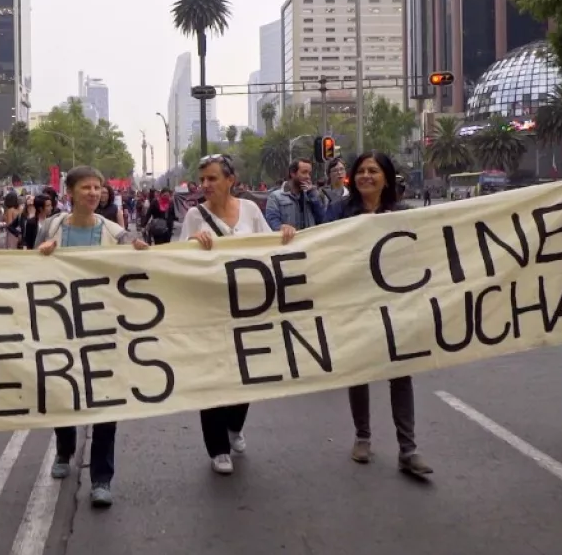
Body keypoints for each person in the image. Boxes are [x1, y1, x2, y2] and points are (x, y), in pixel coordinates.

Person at [178, 154, 295, 475]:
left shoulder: (251, 210)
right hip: (210, 311)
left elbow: (268, 245)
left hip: (248, 309)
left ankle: (234, 426)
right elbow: (178, 259)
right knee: (213, 376)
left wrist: (284, 233)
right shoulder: (194, 216)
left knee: (247, 371)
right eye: (202, 179)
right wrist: (191, 244)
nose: (206, 185)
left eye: (212, 178)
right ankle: (218, 449)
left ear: (231, 180)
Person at [38, 166, 148, 507]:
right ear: (70, 192)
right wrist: (41, 255)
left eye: (97, 187)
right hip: (61, 327)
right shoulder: (51, 228)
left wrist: (142, 251)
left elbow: (134, 266)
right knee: (62, 392)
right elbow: (26, 271)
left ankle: (102, 477)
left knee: (106, 401)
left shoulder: (115, 233)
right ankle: (64, 449)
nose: (93, 193)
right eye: (85, 187)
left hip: (104, 329)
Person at [323, 152, 432, 477]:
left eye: (373, 170)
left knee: (401, 372)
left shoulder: (403, 215)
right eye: (361, 171)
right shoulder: (339, 212)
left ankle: (408, 449)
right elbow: (320, 248)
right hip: (355, 303)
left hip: (396, 304)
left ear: (386, 177)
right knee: (360, 371)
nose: (365, 176)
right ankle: (363, 437)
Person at [265, 158, 325, 231]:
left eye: (309, 173)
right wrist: (281, 227)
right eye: (304, 172)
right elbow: (271, 221)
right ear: (293, 173)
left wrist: (312, 195)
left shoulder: (311, 195)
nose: (308, 177)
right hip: (289, 238)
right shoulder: (275, 197)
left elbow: (322, 220)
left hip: (309, 237)